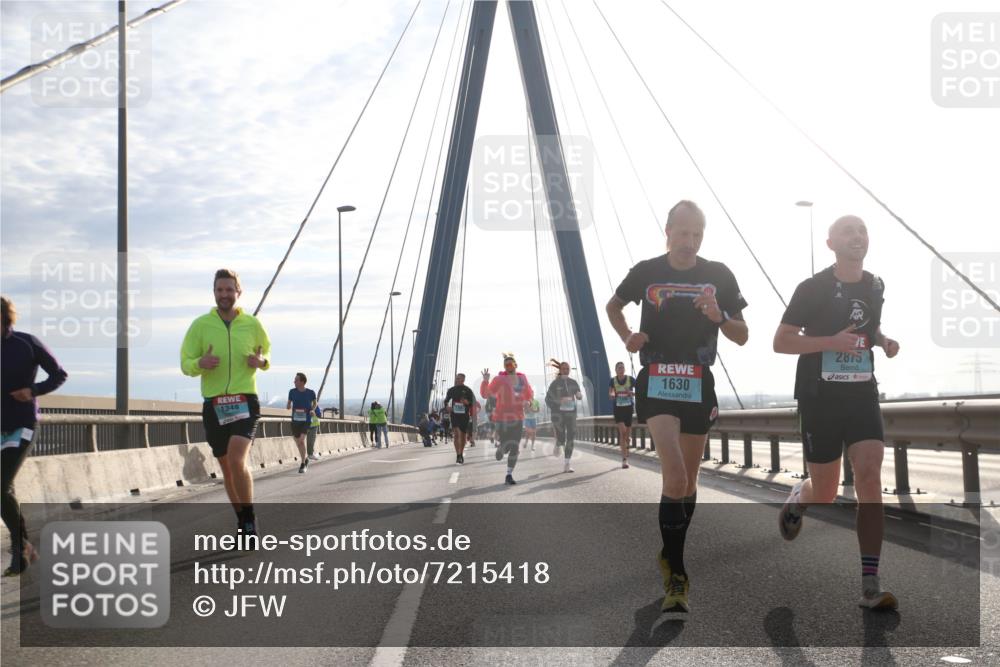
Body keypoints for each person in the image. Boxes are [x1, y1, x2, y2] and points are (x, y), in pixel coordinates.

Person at [606, 200, 749, 613]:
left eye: (697, 234)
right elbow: (613, 305)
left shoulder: (719, 275)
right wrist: (628, 335)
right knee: (675, 473)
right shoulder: (647, 272)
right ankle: (678, 574)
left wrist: (719, 315)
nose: (690, 241)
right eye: (683, 232)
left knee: (690, 482)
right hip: (656, 381)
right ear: (667, 231)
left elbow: (742, 335)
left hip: (697, 382)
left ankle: (670, 552)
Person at [773, 214, 900, 611]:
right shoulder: (812, 288)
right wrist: (832, 341)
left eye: (862, 230)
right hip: (819, 398)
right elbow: (781, 341)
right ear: (831, 243)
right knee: (825, 491)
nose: (857, 236)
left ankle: (870, 583)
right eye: (848, 231)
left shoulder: (875, 285)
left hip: (862, 394)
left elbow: (869, 328)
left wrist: (882, 340)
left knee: (869, 474)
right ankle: (800, 498)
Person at [181, 268, 271, 538]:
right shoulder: (200, 325)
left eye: (229, 290)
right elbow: (185, 363)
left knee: (236, 459)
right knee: (226, 468)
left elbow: (266, 354)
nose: (224, 294)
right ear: (214, 292)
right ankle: (242, 521)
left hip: (245, 401)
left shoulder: (252, 324)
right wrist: (200, 363)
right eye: (220, 290)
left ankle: (251, 520)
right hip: (215, 404)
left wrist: (261, 363)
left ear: (238, 292)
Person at [1, 296, 68, 576]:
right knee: (7, 490)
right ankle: (25, 547)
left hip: (22, 424)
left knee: (1, 486)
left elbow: (59, 374)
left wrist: (33, 391)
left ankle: (20, 551)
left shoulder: (27, 343)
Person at [481, 353, 534, 485]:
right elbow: (485, 394)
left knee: (515, 446)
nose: (509, 366)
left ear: (516, 365)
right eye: (506, 364)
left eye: (511, 363)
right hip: (501, 417)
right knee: (506, 443)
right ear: (504, 366)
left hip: (518, 417)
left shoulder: (522, 378)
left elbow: (529, 394)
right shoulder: (499, 379)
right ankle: (501, 449)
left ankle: (509, 475)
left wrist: (529, 402)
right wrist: (485, 381)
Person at [545, 360, 583, 473]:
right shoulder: (554, 384)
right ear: (560, 371)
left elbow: (578, 393)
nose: (566, 370)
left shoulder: (573, 382)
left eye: (567, 369)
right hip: (558, 415)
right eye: (564, 369)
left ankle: (567, 464)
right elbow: (548, 399)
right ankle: (558, 443)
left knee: (571, 437)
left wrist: (579, 395)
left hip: (571, 414)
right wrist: (558, 402)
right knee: (561, 438)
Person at [286, 372, 316, 473]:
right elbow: (289, 403)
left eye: (296, 380)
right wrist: (288, 405)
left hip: (306, 420)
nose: (294, 381)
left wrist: (312, 410)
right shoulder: (292, 392)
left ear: (302, 382)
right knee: (298, 442)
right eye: (294, 380)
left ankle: (303, 463)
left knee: (301, 440)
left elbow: (315, 403)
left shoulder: (311, 392)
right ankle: (306, 458)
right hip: (295, 420)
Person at [443, 373, 476, 464]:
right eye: (456, 378)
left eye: (458, 379)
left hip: (464, 415)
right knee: (457, 434)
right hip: (454, 415)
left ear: (463, 380)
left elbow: (473, 403)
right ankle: (458, 455)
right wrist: (447, 407)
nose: (456, 380)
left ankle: (461, 453)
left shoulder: (468, 390)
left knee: (462, 436)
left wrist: (467, 402)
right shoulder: (451, 390)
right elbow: (446, 401)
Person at [609, 361, 637, 468]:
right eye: (619, 368)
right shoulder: (613, 380)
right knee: (623, 432)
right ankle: (624, 460)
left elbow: (639, 391)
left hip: (628, 409)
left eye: (622, 367)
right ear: (615, 370)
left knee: (626, 434)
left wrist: (631, 393)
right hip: (618, 409)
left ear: (624, 369)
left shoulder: (630, 379)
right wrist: (612, 394)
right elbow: (610, 392)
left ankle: (627, 442)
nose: (621, 369)